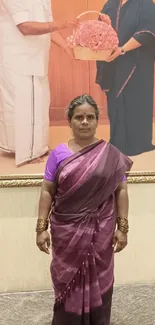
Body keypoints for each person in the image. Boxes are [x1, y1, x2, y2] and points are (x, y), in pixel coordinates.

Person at [36, 94, 133, 325]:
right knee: (65, 278)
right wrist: (41, 227)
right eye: (79, 117)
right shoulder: (58, 155)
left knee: (100, 278)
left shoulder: (109, 154)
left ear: (97, 121)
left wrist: (123, 228)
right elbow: (47, 190)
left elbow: (121, 190)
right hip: (66, 231)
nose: (85, 122)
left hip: (101, 231)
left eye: (90, 117)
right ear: (69, 121)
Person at [0, 0, 77, 165]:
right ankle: (25, 152)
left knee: (39, 104)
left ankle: (37, 148)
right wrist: (60, 24)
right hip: (17, 60)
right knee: (21, 106)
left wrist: (65, 46)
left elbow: (47, 27)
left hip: (38, 59)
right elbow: (25, 27)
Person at [96, 0, 155, 156]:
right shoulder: (110, 4)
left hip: (137, 64)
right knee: (115, 101)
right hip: (112, 63)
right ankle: (117, 141)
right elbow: (99, 29)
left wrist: (122, 49)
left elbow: (148, 31)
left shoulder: (145, 3)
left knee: (134, 100)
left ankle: (138, 143)